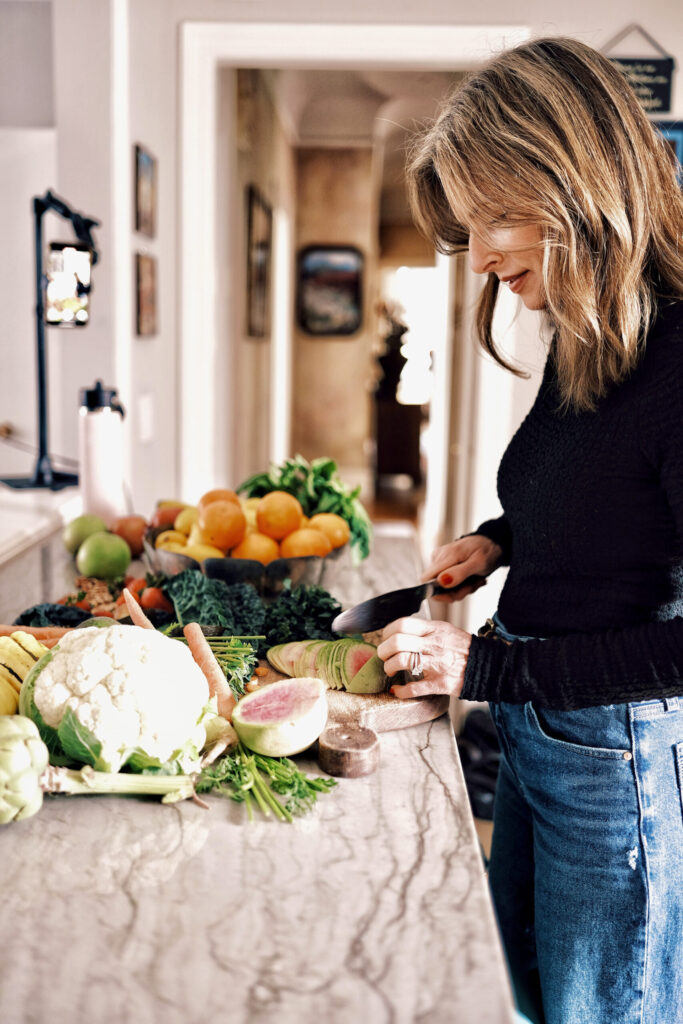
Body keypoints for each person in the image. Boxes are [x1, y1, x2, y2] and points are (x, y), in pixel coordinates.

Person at [376, 36, 683, 1024]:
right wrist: (501, 538)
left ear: (583, 177)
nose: (485, 251)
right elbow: (600, 493)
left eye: (502, 214)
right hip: (540, 731)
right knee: (517, 999)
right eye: (472, 224)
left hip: (609, 754)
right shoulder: (588, 330)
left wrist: (488, 672)